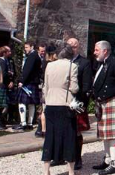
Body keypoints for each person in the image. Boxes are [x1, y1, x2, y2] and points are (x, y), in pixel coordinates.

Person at [40, 44, 79, 175]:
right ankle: (71, 170)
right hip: (65, 104)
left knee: (50, 136)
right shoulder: (72, 66)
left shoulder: (49, 65)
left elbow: (45, 86)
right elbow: (74, 88)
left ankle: (46, 170)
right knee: (69, 136)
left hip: (51, 104)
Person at [92, 40, 115, 175]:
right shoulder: (102, 63)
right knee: (105, 134)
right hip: (103, 102)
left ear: (105, 51)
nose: (94, 52)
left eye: (96, 50)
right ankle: (107, 160)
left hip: (113, 101)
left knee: (113, 135)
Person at [66, 37, 93, 170]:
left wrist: (82, 104)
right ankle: (63, 156)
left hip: (77, 101)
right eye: (69, 45)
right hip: (62, 101)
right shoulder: (62, 62)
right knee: (63, 130)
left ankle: (77, 158)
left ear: (78, 46)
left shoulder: (84, 62)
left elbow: (87, 85)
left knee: (77, 132)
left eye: (74, 46)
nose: (72, 48)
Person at [16, 40, 42, 131]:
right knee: (31, 104)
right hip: (33, 82)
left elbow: (27, 70)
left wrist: (22, 81)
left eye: (26, 47)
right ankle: (30, 123)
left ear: (31, 47)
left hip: (28, 82)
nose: (25, 49)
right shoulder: (36, 56)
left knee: (22, 102)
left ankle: (23, 123)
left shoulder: (32, 56)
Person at [36, 45, 58, 138]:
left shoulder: (45, 62)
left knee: (44, 109)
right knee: (47, 109)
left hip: (46, 87)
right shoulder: (53, 63)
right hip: (52, 87)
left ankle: (42, 130)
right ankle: (44, 129)